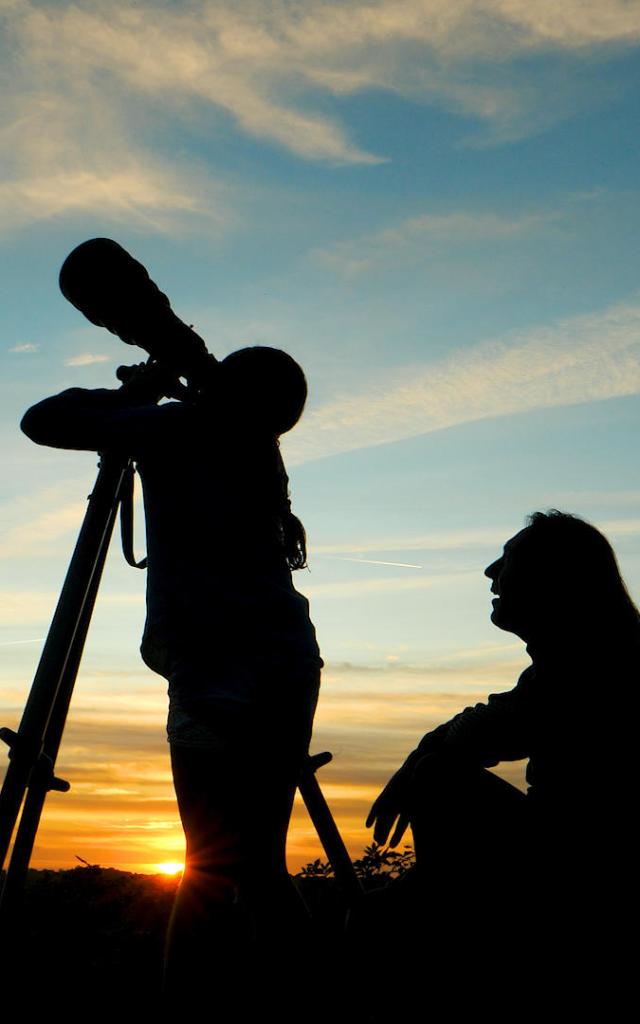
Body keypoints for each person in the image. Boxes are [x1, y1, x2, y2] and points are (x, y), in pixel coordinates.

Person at [21, 345, 323, 1015]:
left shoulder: (179, 425)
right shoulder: (257, 448)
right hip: (286, 664)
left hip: (215, 671)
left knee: (209, 869)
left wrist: (142, 393)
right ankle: (314, 1005)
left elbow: (41, 420)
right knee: (260, 867)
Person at [363, 511, 638, 1015]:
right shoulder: (581, 658)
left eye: (508, 559)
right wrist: (430, 745)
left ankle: (447, 937)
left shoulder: (591, 665)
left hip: (585, 882)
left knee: (439, 780)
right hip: (575, 864)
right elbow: (496, 720)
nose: (491, 571)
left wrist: (425, 757)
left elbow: (490, 730)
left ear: (552, 578)